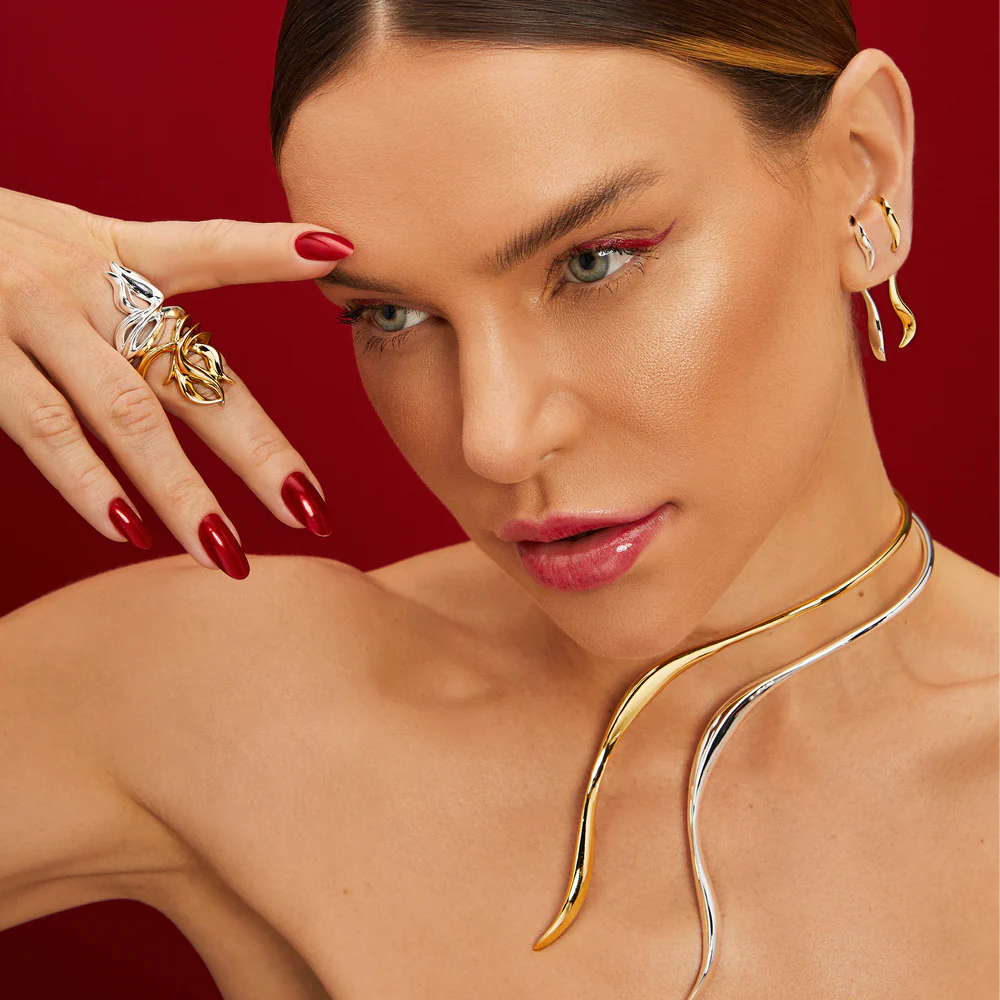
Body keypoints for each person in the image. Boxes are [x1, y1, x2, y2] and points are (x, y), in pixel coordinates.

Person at [1, 0, 998, 996]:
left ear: (862, 169)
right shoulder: (236, 704)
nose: (495, 436)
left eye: (593, 261)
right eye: (390, 314)